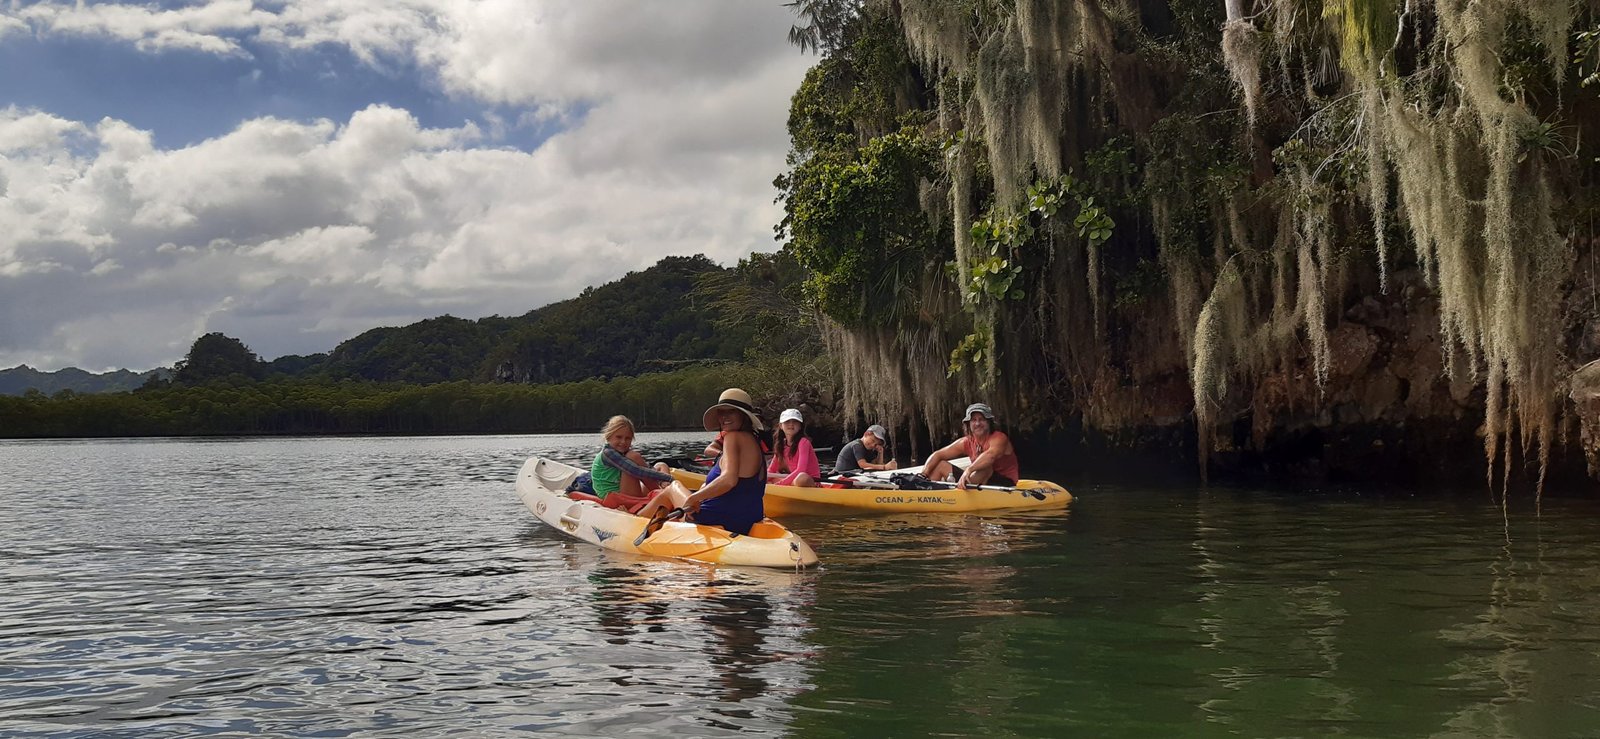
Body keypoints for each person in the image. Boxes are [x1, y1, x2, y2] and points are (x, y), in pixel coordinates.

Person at [652, 388, 767, 536]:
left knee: (672, 487)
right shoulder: (754, 440)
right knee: (692, 489)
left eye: (731, 411)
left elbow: (729, 480)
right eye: (721, 412)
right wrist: (703, 492)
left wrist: (694, 498)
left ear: (743, 415)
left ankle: (635, 520)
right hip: (750, 517)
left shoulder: (733, 437)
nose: (724, 417)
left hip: (719, 516)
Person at [922, 402, 1020, 489]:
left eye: (981, 419)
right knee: (940, 465)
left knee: (985, 467)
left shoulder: (999, 438)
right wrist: (922, 475)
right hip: (976, 481)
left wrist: (969, 470)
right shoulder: (966, 442)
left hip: (1004, 484)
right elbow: (938, 454)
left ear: (989, 422)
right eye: (973, 420)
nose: (977, 423)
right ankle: (926, 491)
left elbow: (990, 456)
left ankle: (960, 493)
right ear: (968, 424)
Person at [589, 415, 675, 513]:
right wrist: (667, 478)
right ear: (609, 436)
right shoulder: (608, 453)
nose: (623, 442)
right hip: (616, 498)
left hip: (627, 492)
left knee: (661, 465)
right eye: (619, 437)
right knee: (633, 457)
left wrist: (661, 478)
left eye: (628, 438)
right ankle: (667, 496)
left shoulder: (621, 452)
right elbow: (636, 470)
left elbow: (646, 468)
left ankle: (665, 493)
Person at [767, 408, 819, 487]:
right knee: (769, 477)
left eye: (795, 422)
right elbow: (771, 470)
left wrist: (780, 484)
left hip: (809, 481)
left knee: (802, 478)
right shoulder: (781, 445)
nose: (791, 424)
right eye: (787, 421)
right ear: (781, 425)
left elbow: (801, 469)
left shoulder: (804, 442)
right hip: (794, 481)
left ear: (800, 426)